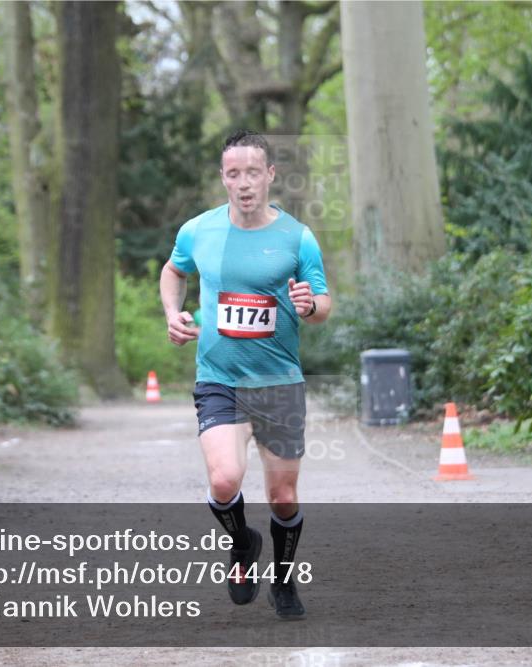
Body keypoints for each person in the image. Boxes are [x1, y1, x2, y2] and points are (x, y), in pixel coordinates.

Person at [159, 130, 331, 620]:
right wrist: (173, 312)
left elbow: (323, 305)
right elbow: (174, 270)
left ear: (270, 174)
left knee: (283, 496)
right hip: (219, 378)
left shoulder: (298, 237)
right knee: (223, 480)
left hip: (279, 383)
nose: (243, 183)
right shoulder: (198, 231)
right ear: (223, 179)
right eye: (233, 174)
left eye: (252, 172)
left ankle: (282, 579)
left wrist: (311, 305)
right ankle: (242, 542)